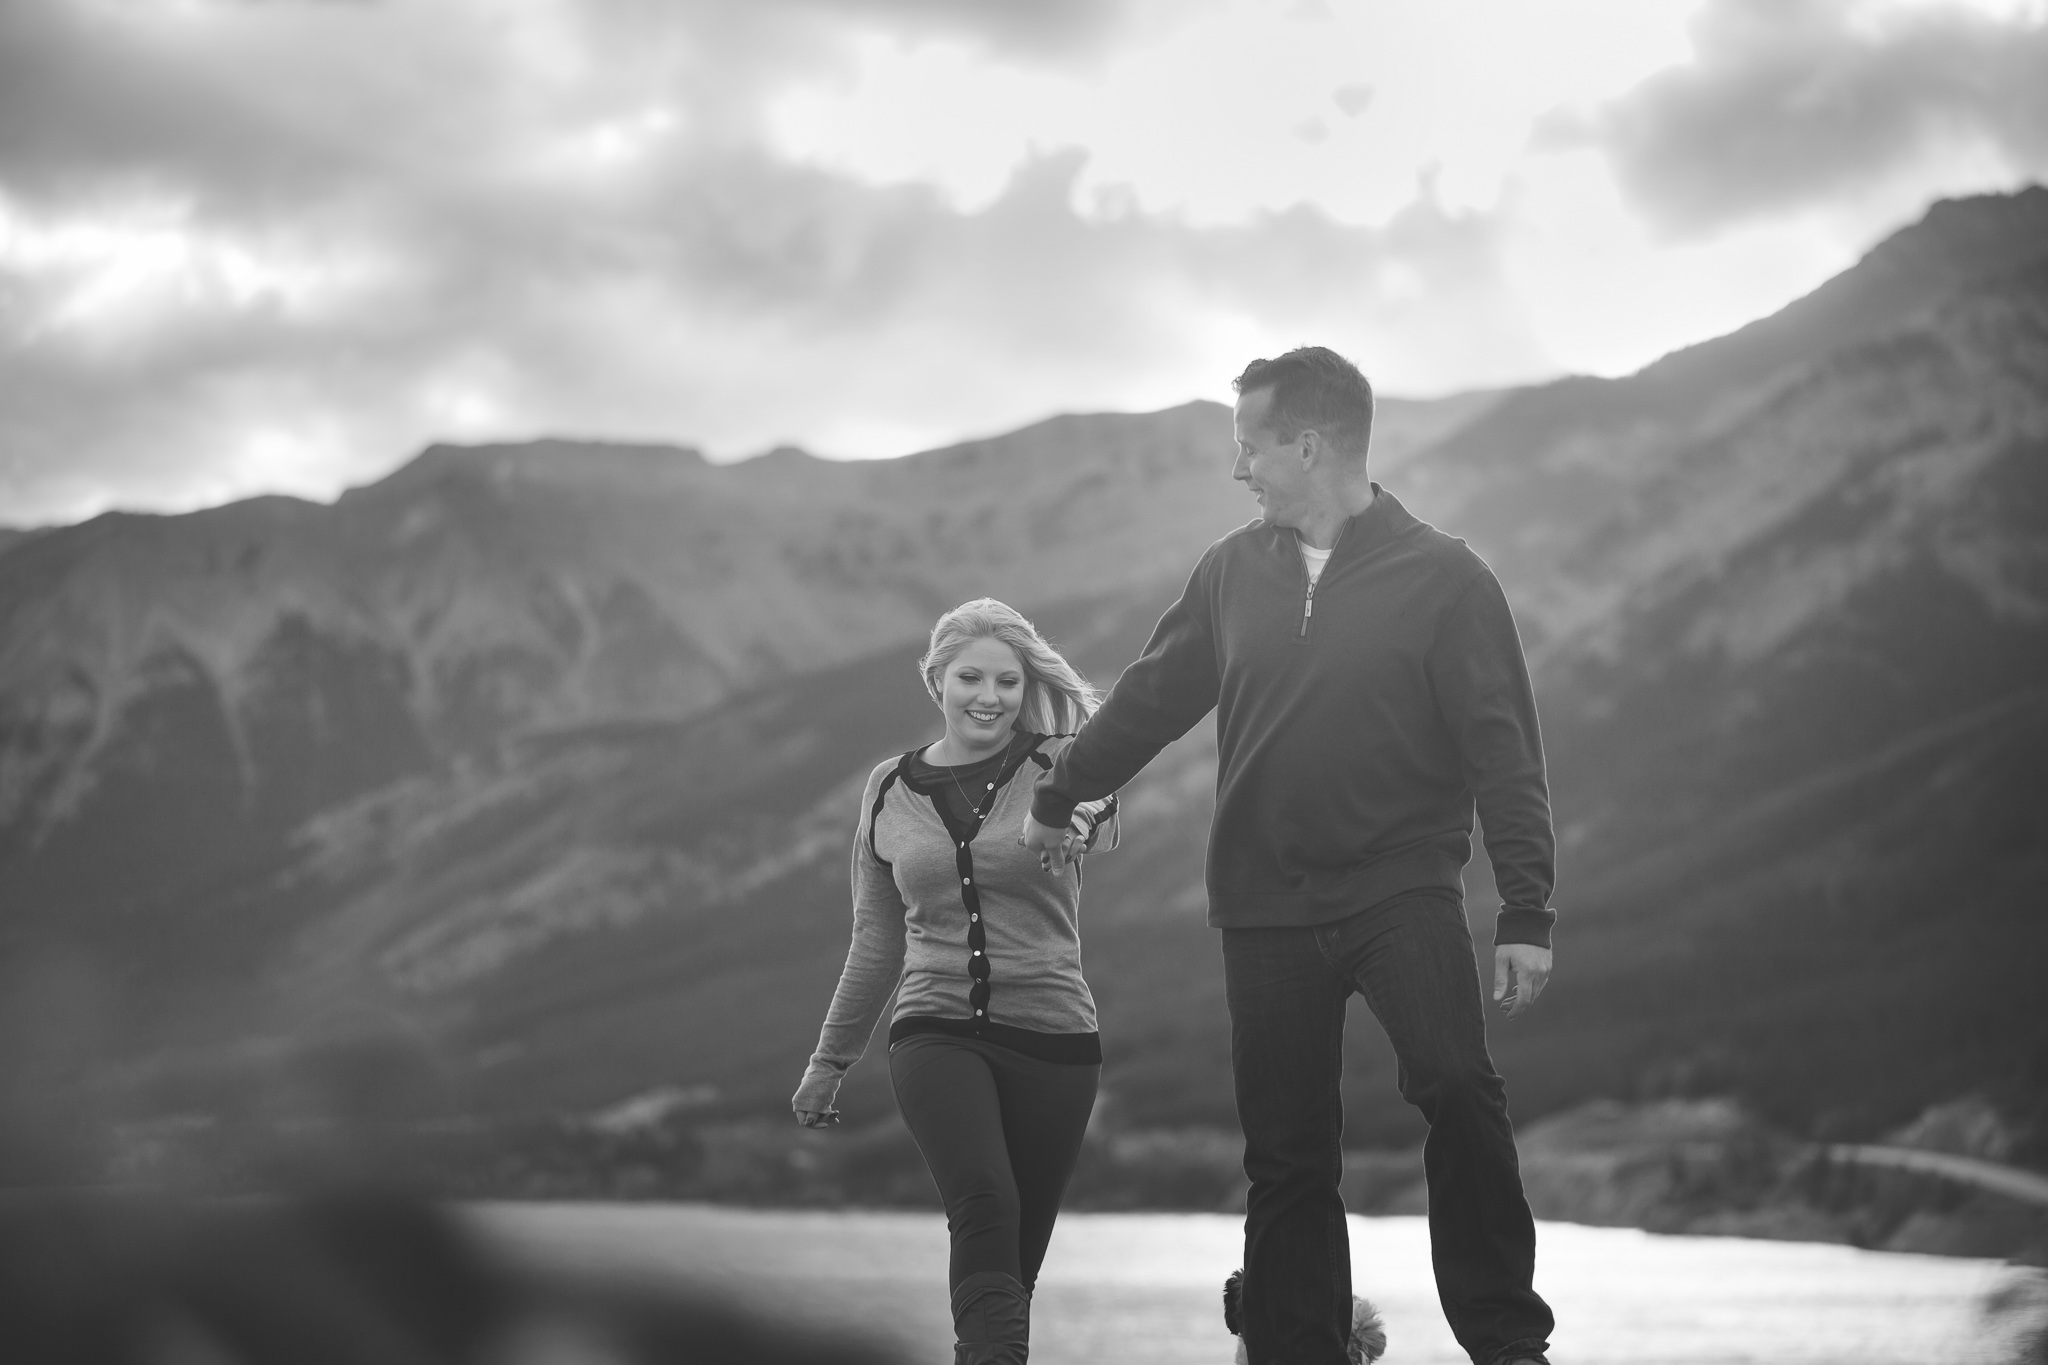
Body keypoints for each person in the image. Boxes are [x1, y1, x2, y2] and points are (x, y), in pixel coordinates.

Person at [1024, 346, 1558, 1365]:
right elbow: (1149, 697)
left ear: (1307, 446)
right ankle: (1292, 1352)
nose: (1239, 469)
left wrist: (1525, 913)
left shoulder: (1445, 578)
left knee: (1453, 1085)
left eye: (1250, 445)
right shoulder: (1230, 573)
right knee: (1286, 1158)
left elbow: (1504, 753)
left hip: (1398, 888)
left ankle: (1504, 1344)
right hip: (1263, 908)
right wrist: (1060, 792)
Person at [794, 599, 1117, 1365]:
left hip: (1058, 1039)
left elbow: (1096, 807)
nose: (990, 695)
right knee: (984, 1199)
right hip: (935, 1026)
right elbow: (875, 939)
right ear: (936, 679)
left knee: (1015, 1259)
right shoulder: (887, 789)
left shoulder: (1064, 761)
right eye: (970, 676)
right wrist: (829, 1060)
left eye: (1008, 680)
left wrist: (1077, 818)